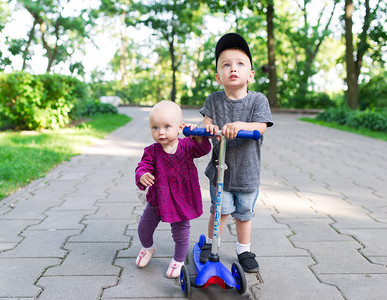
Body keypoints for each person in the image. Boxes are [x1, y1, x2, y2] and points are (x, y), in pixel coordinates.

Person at [198, 33, 273, 273]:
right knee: (219, 211)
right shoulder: (213, 100)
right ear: (218, 76)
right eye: (226, 65)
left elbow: (260, 127)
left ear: (250, 74)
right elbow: (206, 125)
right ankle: (211, 244)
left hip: (247, 173)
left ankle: (244, 249)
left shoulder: (258, 101)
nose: (233, 69)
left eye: (240, 64)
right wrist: (207, 128)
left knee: (243, 214)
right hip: (220, 173)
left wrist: (241, 126)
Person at [135, 100, 211, 278]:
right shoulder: (151, 151)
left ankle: (178, 259)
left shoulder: (187, 145)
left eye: (167, 126)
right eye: (155, 127)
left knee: (181, 232)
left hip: (181, 199)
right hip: (158, 199)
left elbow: (203, 149)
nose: (161, 132)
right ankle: (148, 248)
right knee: (143, 228)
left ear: (180, 127)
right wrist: (142, 175)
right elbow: (143, 165)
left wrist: (198, 137)